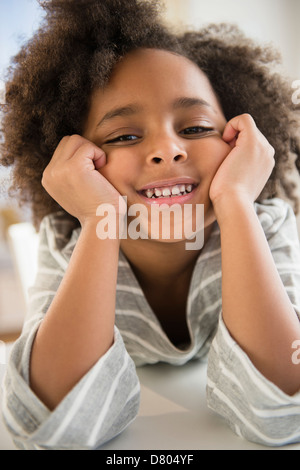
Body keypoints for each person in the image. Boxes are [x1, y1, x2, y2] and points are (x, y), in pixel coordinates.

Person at [1, 0, 300, 450]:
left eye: (197, 128)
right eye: (124, 136)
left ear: (237, 141)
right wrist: (100, 219)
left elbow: (282, 415)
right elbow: (49, 426)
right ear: (78, 160)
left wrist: (237, 200)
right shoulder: (69, 240)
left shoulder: (263, 224)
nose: (167, 149)